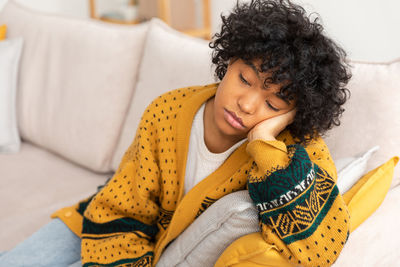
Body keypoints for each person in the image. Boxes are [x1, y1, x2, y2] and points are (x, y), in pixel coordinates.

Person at [0, 0, 352, 266]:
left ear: (293, 115)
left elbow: (321, 248)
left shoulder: (293, 154)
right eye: (245, 79)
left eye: (273, 105)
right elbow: (124, 205)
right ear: (228, 60)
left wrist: (264, 144)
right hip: (106, 220)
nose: (247, 105)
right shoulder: (167, 112)